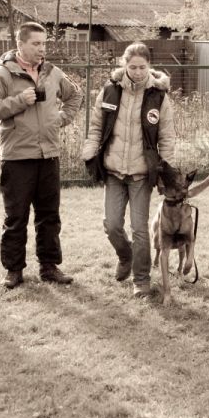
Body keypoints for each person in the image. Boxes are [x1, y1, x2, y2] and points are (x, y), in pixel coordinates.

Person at [0, 22, 83, 288]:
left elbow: (75, 96)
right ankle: (13, 270)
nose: (41, 49)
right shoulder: (2, 74)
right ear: (20, 44)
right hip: (17, 158)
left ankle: (49, 267)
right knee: (16, 218)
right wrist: (18, 102)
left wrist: (61, 119)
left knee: (49, 216)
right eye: (36, 44)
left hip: (49, 155)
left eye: (44, 43)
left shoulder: (53, 72)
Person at [81, 42, 176, 297]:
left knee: (140, 229)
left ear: (149, 66)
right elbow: (96, 126)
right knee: (112, 225)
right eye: (132, 67)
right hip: (113, 170)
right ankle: (126, 256)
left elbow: (166, 137)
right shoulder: (110, 90)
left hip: (141, 174)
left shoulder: (159, 96)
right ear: (124, 64)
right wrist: (90, 151)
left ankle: (141, 280)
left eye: (142, 67)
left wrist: (166, 170)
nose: (137, 72)